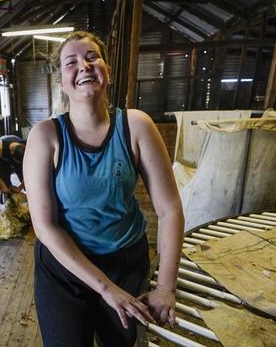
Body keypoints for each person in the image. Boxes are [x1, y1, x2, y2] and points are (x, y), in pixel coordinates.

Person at [23, 31, 185, 347]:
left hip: (125, 262)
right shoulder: (46, 136)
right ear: (62, 81)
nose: (84, 66)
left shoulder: (136, 126)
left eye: (92, 57)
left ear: (106, 70)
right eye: (71, 62)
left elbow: (170, 209)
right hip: (66, 266)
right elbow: (45, 226)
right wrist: (105, 288)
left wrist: (166, 286)